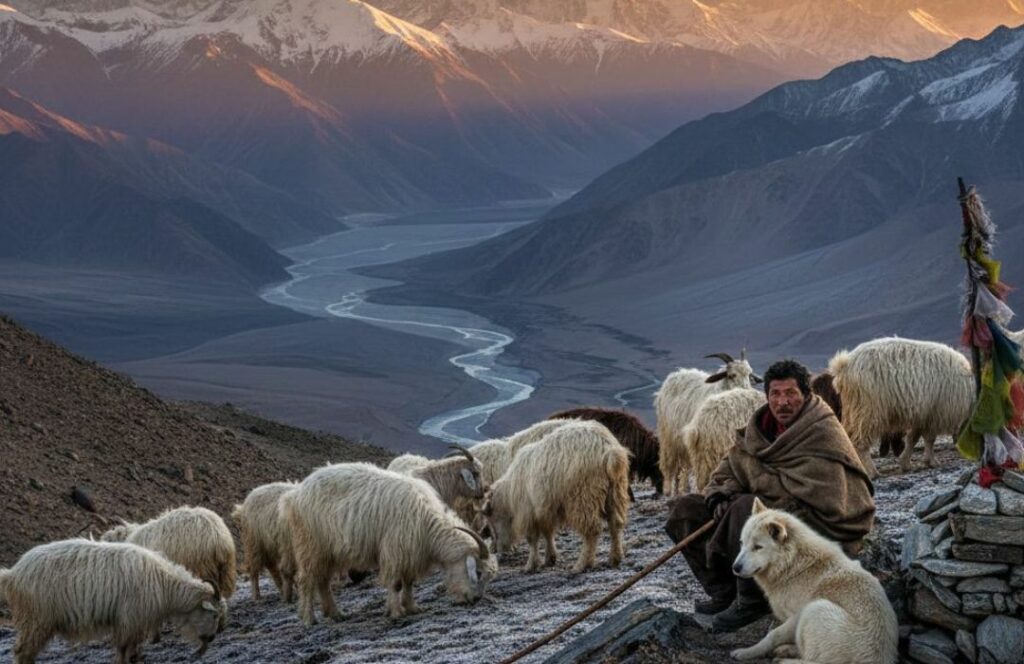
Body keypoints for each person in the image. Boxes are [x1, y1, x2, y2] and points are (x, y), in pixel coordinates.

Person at [664, 359, 875, 632]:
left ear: (805, 394)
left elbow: (820, 492)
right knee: (685, 509)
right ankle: (724, 591)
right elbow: (727, 470)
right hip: (770, 513)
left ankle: (751, 600)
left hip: (822, 521)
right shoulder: (760, 428)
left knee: (747, 508)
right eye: (775, 394)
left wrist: (744, 488)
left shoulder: (821, 429)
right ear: (767, 395)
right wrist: (720, 495)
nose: (782, 402)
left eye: (790, 393)